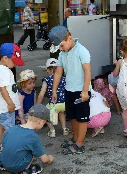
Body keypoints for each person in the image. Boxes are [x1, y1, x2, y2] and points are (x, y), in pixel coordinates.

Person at [48, 26, 91, 155]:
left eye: (61, 45)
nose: (60, 49)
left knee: (82, 118)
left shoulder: (82, 51)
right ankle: (75, 138)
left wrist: (85, 91)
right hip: (69, 89)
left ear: (69, 38)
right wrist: (54, 90)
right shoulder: (62, 53)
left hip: (81, 91)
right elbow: (58, 72)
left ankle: (80, 144)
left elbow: (87, 71)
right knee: (72, 116)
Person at [0, 104, 54, 174]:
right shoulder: (33, 137)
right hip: (17, 167)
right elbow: (44, 160)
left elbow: (4, 144)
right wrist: (50, 158)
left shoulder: (12, 128)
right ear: (41, 121)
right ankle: (25, 170)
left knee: (14, 145)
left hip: (4, 160)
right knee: (32, 151)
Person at [0, 43, 24, 154]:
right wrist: (10, 103)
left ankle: (1, 145)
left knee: (2, 125)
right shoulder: (3, 71)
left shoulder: (3, 69)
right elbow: (2, 89)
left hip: (4, 107)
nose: (15, 63)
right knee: (10, 129)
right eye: (14, 61)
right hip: (5, 107)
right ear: (5, 58)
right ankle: (11, 149)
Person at [16, 69, 56, 138]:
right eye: (30, 83)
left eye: (33, 83)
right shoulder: (21, 94)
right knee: (28, 123)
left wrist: (37, 112)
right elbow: (20, 109)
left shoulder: (33, 91)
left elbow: (35, 104)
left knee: (44, 115)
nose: (33, 85)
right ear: (23, 84)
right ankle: (28, 133)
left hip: (31, 111)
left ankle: (52, 130)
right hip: (23, 113)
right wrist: (22, 120)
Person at [37, 58, 70, 137]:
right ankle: (64, 129)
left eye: (47, 70)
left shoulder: (47, 79)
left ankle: (52, 131)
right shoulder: (63, 79)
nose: (46, 72)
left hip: (54, 103)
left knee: (46, 115)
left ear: (50, 69)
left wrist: (37, 105)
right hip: (63, 104)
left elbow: (41, 94)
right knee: (61, 113)